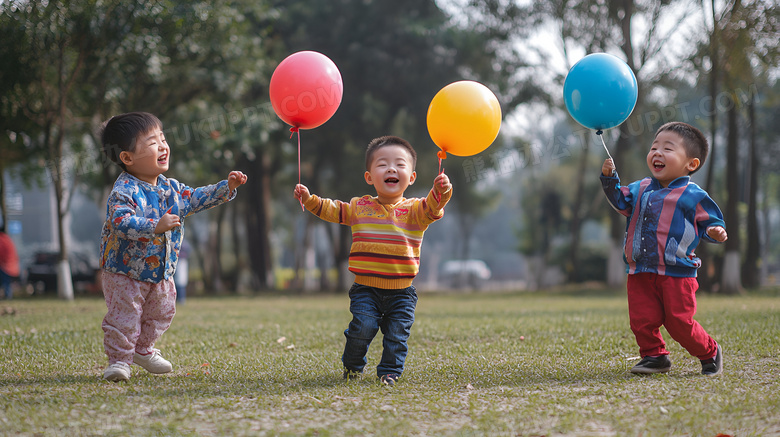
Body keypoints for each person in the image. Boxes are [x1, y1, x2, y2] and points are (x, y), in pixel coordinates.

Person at [99, 112, 247, 382]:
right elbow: (120, 222)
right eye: (153, 142)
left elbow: (196, 197)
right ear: (127, 158)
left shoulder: (171, 189)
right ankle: (120, 360)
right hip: (124, 271)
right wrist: (155, 225)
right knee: (125, 315)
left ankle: (143, 350)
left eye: (163, 138)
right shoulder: (125, 190)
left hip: (159, 271)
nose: (164, 146)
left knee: (163, 309)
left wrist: (227, 187)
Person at [294, 135, 452, 386]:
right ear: (369, 177)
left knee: (397, 335)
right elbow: (333, 209)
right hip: (365, 289)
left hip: (402, 293)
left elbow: (434, 206)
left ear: (411, 177)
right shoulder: (359, 207)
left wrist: (442, 191)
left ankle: (389, 372)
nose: (391, 168)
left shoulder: (416, 210)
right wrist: (310, 200)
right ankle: (353, 365)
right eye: (382, 164)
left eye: (400, 164)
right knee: (363, 327)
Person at [600, 121, 728, 376]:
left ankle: (709, 351)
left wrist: (715, 231)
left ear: (691, 164)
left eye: (667, 149)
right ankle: (654, 356)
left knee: (679, 322)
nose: (657, 152)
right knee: (641, 318)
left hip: (677, 273)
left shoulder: (694, 195)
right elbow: (621, 203)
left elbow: (711, 222)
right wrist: (609, 179)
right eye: (654, 147)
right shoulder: (640, 188)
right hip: (640, 269)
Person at [0, 224, 20, 300]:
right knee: (6, 282)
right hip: (12, 265)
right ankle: (8, 296)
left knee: (5, 282)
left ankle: (7, 296)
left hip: (5, 266)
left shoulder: (1, 239)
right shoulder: (7, 239)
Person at [174, 239, 190, 304]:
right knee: (175, 281)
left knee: (180, 281)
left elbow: (188, 250)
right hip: (174, 261)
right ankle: (176, 299)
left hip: (181, 261)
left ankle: (181, 299)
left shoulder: (184, 243)